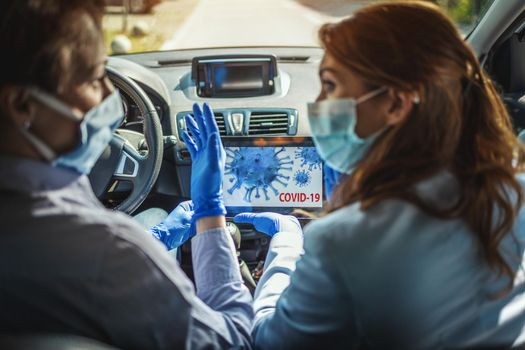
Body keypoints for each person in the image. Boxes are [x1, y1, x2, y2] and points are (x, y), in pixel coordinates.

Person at [195, 1, 525, 348]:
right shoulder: (514, 189)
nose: (318, 103)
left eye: (331, 86)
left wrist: (260, 232)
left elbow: (257, 341)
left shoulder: (343, 241)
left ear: (396, 104)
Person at [0, 0, 253, 348]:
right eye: (94, 78)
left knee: (156, 217)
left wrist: (160, 238)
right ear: (22, 106)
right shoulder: (111, 251)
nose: (110, 95)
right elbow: (233, 340)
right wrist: (210, 211)